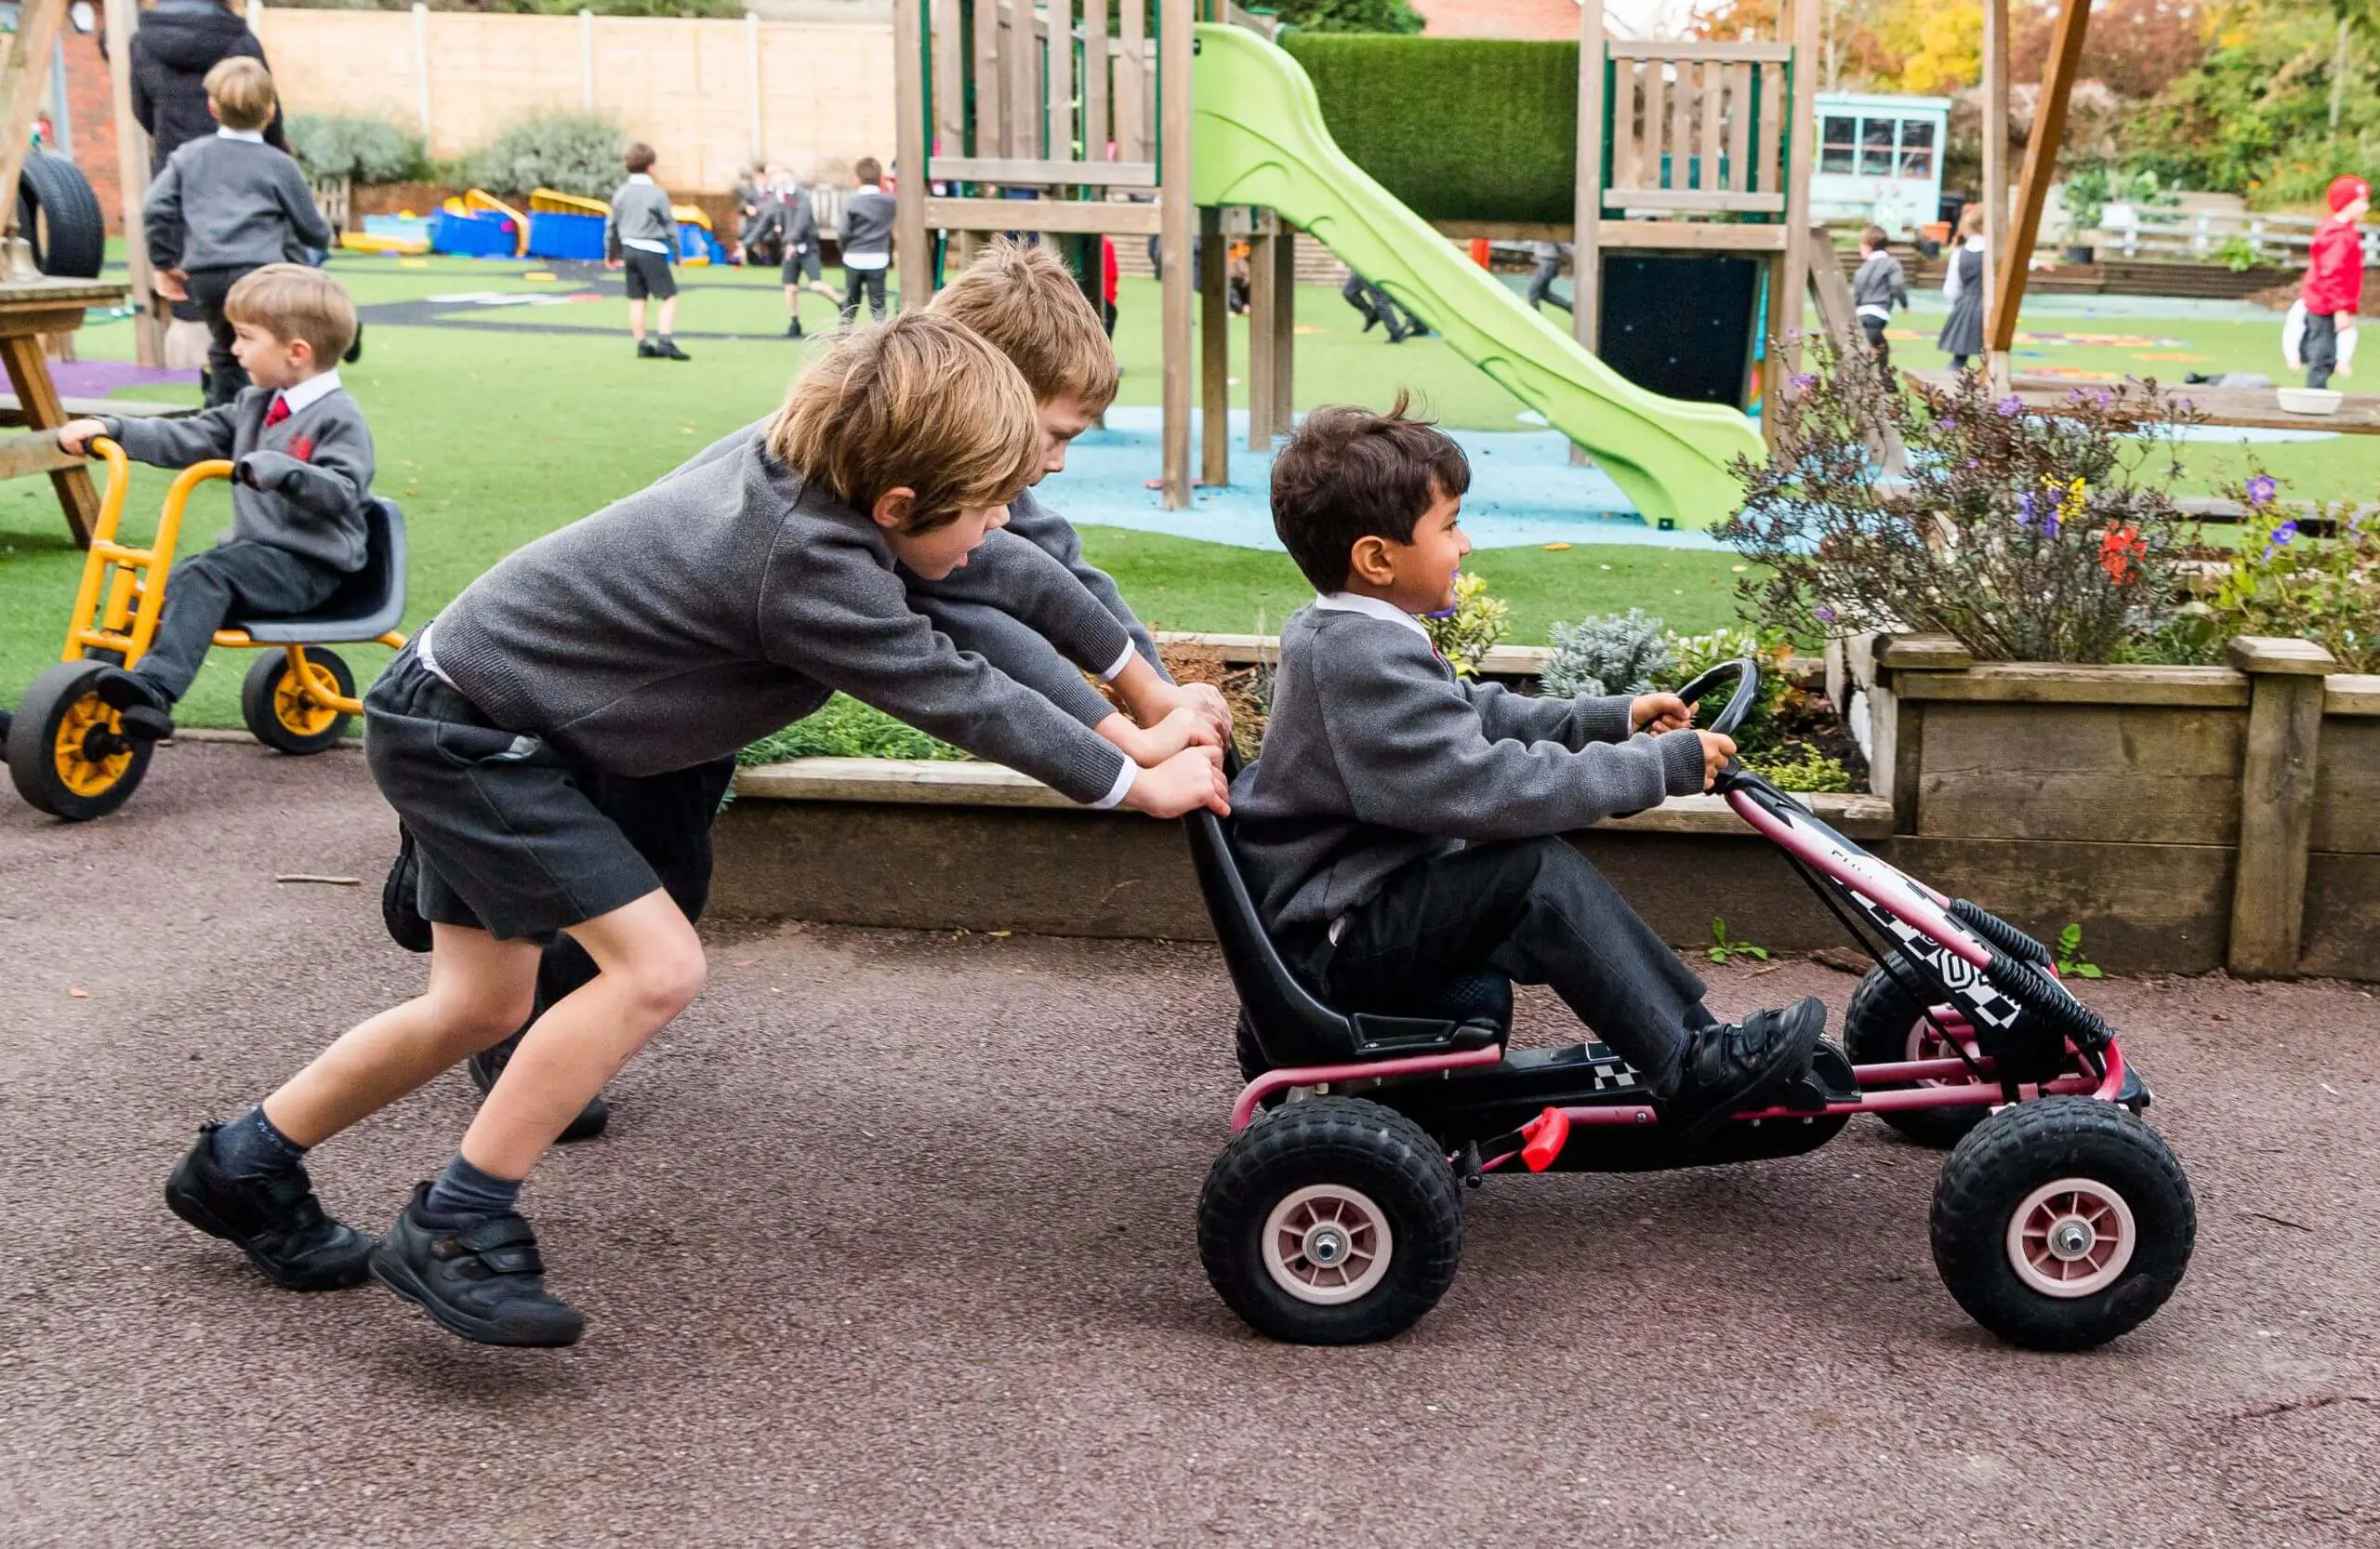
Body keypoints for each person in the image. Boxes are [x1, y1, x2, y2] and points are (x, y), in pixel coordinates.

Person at [167, 313, 1231, 1348]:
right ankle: (458, 1222)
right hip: (479, 740)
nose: (1002, 525)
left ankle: (242, 1165)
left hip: (469, 712)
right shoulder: (805, 564)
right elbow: (959, 692)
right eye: (989, 507)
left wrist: (1141, 721)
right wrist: (1130, 785)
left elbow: (999, 583)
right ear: (902, 501)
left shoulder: (817, 462)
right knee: (658, 966)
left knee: (479, 1004)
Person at [446, 239, 1231, 1146]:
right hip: (629, 701)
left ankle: (485, 916)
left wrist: (1149, 699)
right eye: (1052, 434)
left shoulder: (937, 484)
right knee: (623, 889)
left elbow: (1045, 575)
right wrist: (1130, 751)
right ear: (973, 399)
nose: (1049, 464)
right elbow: (967, 667)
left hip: (686, 714)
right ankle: (511, 1031)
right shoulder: (842, 519)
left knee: (664, 879)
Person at [1229, 400, 1824, 1140]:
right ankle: (1688, 1065)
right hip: (1338, 947)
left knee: (1527, 872)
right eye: (1448, 527)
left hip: (1355, 911)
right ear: (1377, 559)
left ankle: (1698, 1048)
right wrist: (1655, 767)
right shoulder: (1357, 655)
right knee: (1533, 875)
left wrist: (1612, 719)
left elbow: (1475, 715)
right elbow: (1489, 789)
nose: (1466, 543)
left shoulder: (1356, 631)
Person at [54, 266, 370, 746]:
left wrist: (288, 472)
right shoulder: (255, 404)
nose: (233, 349)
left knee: (204, 576)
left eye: (244, 337)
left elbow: (345, 490)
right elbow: (190, 434)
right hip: (254, 560)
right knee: (147, 597)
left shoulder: (338, 417)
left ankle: (155, 691)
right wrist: (112, 428)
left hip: (311, 567)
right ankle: (72, 706)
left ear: (297, 351)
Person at [140, 59, 330, 407]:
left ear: (212, 107)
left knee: (228, 346)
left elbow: (156, 209)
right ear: (271, 111)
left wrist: (165, 262)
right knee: (275, 351)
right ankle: (273, 421)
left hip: (208, 273)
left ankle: (221, 427)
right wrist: (320, 242)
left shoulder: (189, 157)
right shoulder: (279, 164)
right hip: (263, 273)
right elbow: (312, 228)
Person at [605, 142, 689, 362]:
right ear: (651, 167)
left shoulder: (621, 193)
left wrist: (611, 253)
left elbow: (612, 225)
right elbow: (670, 225)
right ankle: (665, 341)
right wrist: (678, 253)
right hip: (651, 249)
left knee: (637, 298)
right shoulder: (656, 194)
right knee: (669, 296)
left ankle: (642, 343)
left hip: (629, 249)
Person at [2298, 174, 2369, 391]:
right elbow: (2332, 273)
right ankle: (2314, 399)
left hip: (2325, 302)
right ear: (2347, 204)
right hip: (2325, 305)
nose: (2366, 207)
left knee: (2324, 349)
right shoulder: (2339, 235)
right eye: (2361, 202)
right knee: (2323, 355)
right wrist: (2340, 308)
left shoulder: (2341, 231)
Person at [778, 176, 840, 338]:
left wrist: (792, 241)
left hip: (807, 248)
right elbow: (770, 217)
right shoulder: (781, 198)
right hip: (790, 249)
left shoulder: (802, 198)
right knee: (790, 287)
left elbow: (801, 222)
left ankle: (841, 303)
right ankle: (794, 322)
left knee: (815, 285)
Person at [839, 157, 897, 324]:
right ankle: (882, 343)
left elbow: (843, 231)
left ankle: (842, 339)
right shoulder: (890, 201)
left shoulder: (852, 201)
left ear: (857, 178)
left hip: (854, 257)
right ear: (880, 179)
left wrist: (844, 248)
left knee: (850, 305)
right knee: (878, 307)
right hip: (878, 257)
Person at [1852, 224, 1910, 380]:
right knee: (1872, 349)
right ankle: (1884, 381)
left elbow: (1856, 294)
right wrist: (1904, 304)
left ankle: (1885, 381)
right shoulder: (1892, 263)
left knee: (1878, 347)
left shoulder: (1862, 269)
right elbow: (1897, 284)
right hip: (1878, 314)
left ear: (1868, 246)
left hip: (1862, 313)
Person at [1938, 204, 1987, 372]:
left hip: (1966, 302)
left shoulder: (1960, 253)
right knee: (1990, 354)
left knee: (1959, 356)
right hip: (1992, 305)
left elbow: (1952, 289)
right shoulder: (1995, 251)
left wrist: (1958, 304)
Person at [1341, 271, 1418, 343]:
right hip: (1358, 268)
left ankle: (1397, 333)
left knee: (1380, 302)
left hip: (1370, 268)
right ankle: (1372, 315)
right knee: (1349, 292)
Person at [1525, 242, 1572, 315]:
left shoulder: (1551, 232)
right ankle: (1571, 307)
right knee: (1543, 293)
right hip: (1546, 262)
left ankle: (1536, 319)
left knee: (1533, 292)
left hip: (1548, 263)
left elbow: (1564, 244)